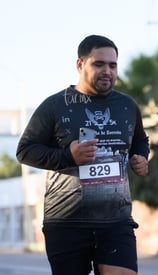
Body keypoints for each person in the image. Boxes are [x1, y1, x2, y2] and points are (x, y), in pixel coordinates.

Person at [16, 35, 149, 275]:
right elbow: (25, 151)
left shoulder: (127, 106)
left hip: (115, 221)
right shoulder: (55, 105)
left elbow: (140, 139)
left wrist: (141, 157)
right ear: (80, 64)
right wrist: (69, 156)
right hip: (66, 222)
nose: (107, 71)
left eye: (112, 65)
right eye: (99, 64)